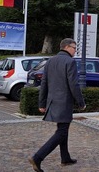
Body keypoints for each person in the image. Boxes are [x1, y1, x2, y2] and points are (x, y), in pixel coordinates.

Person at [29, 38, 86, 172]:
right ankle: (38, 157)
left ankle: (65, 158)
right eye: (74, 48)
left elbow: (44, 83)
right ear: (66, 47)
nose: (75, 51)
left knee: (62, 130)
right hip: (64, 103)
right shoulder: (69, 62)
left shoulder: (50, 61)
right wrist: (81, 102)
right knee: (61, 132)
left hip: (53, 102)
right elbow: (74, 85)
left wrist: (42, 103)